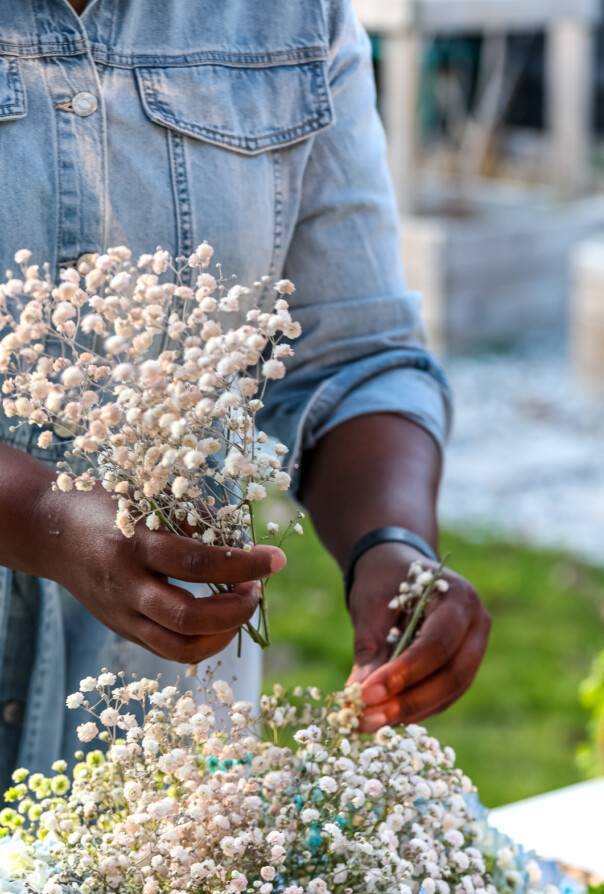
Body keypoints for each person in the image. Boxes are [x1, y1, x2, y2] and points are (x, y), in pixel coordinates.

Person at [0, 0, 490, 791]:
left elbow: (355, 354)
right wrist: (42, 520)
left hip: (161, 754)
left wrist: (390, 546)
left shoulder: (289, 18)